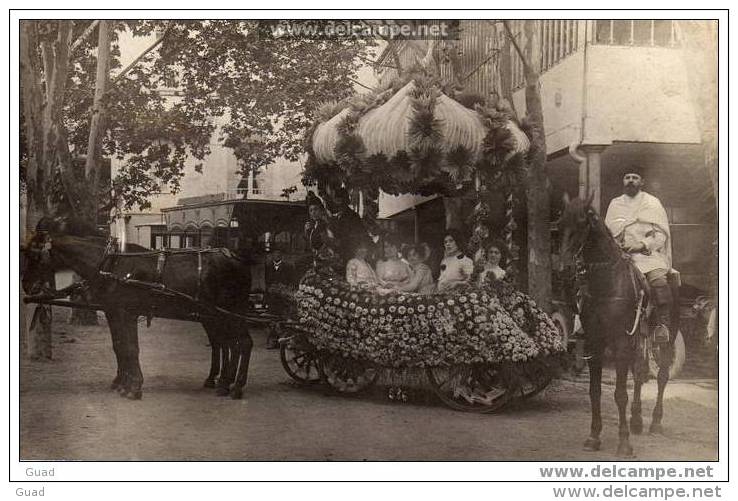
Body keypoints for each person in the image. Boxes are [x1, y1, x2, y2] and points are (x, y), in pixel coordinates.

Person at [604, 166, 673, 343]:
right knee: (598, 281)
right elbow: (608, 234)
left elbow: (661, 235)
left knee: (658, 280)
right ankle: (594, 324)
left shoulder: (652, 203)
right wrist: (619, 248)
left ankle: (662, 325)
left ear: (642, 182)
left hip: (647, 256)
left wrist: (642, 244)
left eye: (635, 177)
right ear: (623, 181)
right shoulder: (615, 204)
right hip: (621, 257)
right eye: (627, 177)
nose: (631, 180)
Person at [264, 249, 295, 349]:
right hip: (272, 298)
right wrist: (270, 290)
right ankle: (273, 341)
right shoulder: (268, 266)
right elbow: (267, 281)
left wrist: (285, 291)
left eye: (279, 254)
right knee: (272, 319)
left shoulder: (288, 267)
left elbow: (291, 281)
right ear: (272, 255)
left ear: (281, 255)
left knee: (283, 318)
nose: (277, 255)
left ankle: (284, 341)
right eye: (275, 254)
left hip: (284, 298)